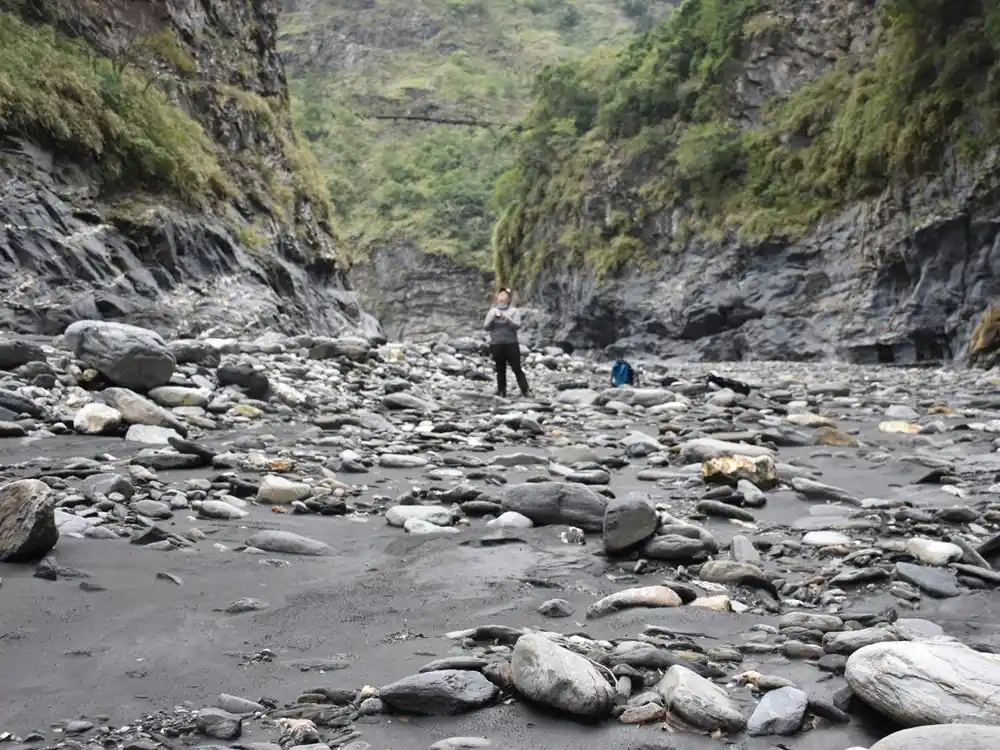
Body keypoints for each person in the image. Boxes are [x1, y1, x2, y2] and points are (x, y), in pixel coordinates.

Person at [483, 288, 529, 398]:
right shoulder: (492, 311)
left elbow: (516, 325)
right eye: (500, 294)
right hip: (496, 344)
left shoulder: (514, 311)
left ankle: (525, 389)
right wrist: (493, 319)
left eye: (504, 295)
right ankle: (501, 391)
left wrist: (505, 317)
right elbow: (486, 327)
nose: (502, 296)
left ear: (508, 299)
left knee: (516, 367)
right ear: (497, 297)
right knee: (500, 368)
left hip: (511, 343)